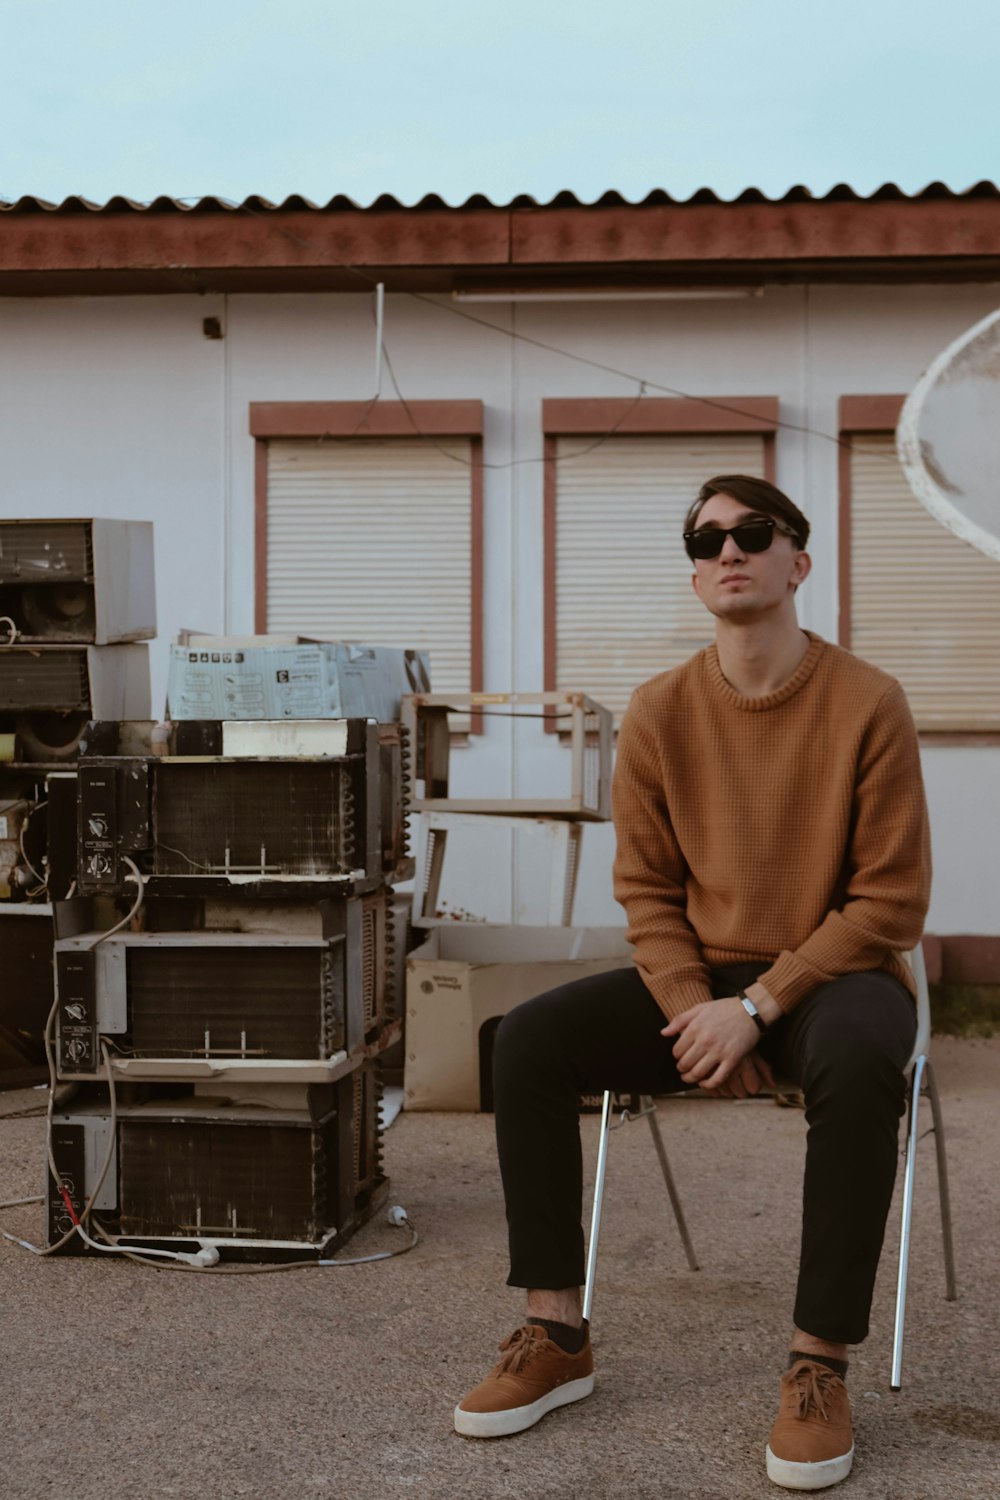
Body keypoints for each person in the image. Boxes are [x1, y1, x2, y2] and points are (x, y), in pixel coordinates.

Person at [453, 474, 931, 1491]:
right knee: (529, 1039)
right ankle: (555, 1332)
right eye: (703, 537)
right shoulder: (661, 710)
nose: (726, 550)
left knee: (853, 1054)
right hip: (702, 980)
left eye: (752, 532)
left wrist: (757, 1011)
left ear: (797, 561)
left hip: (835, 973)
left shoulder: (868, 702)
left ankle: (818, 1362)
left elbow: (888, 903)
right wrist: (695, 1012)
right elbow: (647, 891)